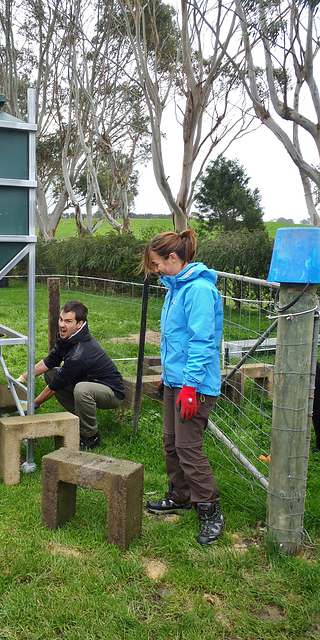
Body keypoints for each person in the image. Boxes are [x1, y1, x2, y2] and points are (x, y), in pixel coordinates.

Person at [140, 228, 225, 546]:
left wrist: (190, 387)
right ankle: (181, 496)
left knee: (189, 449)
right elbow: (176, 340)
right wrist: (169, 376)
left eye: (157, 263)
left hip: (196, 385)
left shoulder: (199, 290)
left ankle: (210, 511)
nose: (157, 269)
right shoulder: (176, 287)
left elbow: (202, 342)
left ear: (173, 258)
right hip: (177, 381)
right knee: (171, 442)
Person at [17, 300, 125, 450]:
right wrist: (22, 379)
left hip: (111, 392)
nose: (62, 325)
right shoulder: (67, 338)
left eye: (68, 321)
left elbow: (57, 384)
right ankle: (81, 417)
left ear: (79, 324)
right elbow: (49, 361)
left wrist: (33, 404)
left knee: (82, 390)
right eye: (61, 319)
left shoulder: (80, 352)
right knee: (50, 373)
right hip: (89, 382)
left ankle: (90, 436)